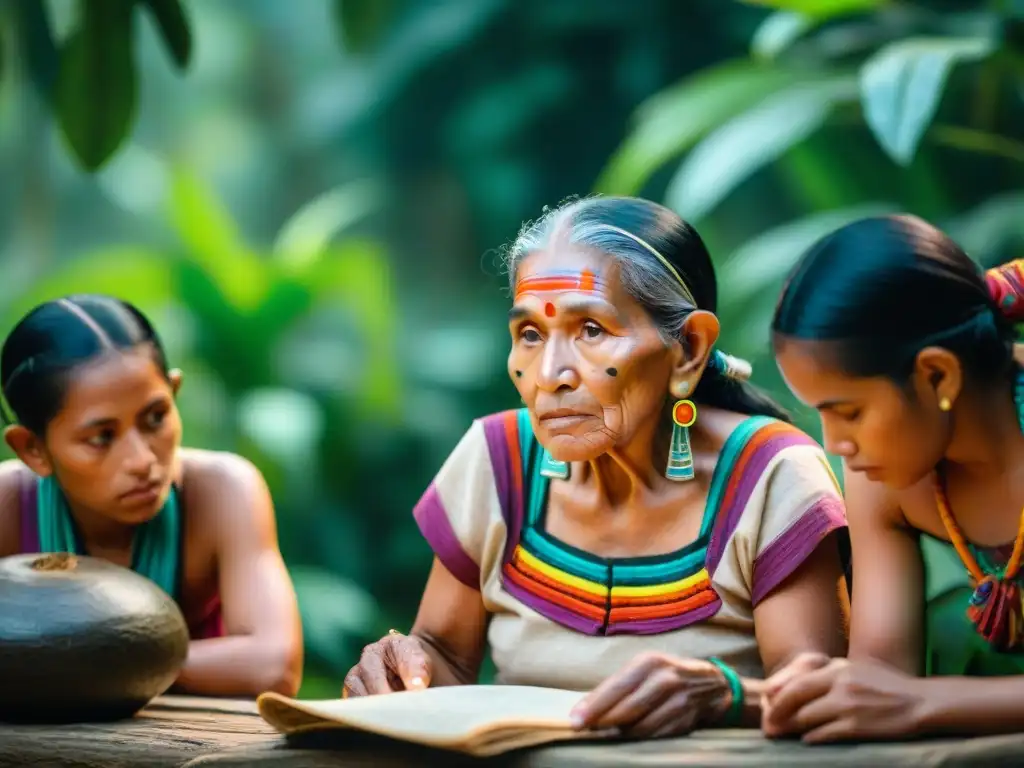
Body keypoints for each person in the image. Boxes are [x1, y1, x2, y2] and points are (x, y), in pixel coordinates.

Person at [342, 196, 849, 737]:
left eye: (591, 330)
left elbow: (821, 693)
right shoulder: (495, 461)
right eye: (530, 335)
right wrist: (404, 666)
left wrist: (723, 695)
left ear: (689, 350)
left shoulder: (770, 477)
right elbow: (444, 654)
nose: (551, 374)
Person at [765, 214, 1024, 743]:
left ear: (936, 375)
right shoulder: (883, 475)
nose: (834, 443)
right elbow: (881, 678)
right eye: (820, 413)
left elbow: (903, 699)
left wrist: (927, 704)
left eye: (850, 412)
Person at [0, 295, 303, 697]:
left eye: (155, 418)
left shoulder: (222, 492)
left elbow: (274, 665)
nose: (142, 461)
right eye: (101, 438)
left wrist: (72, 662)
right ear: (32, 449)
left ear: (174, 392)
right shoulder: (8, 506)